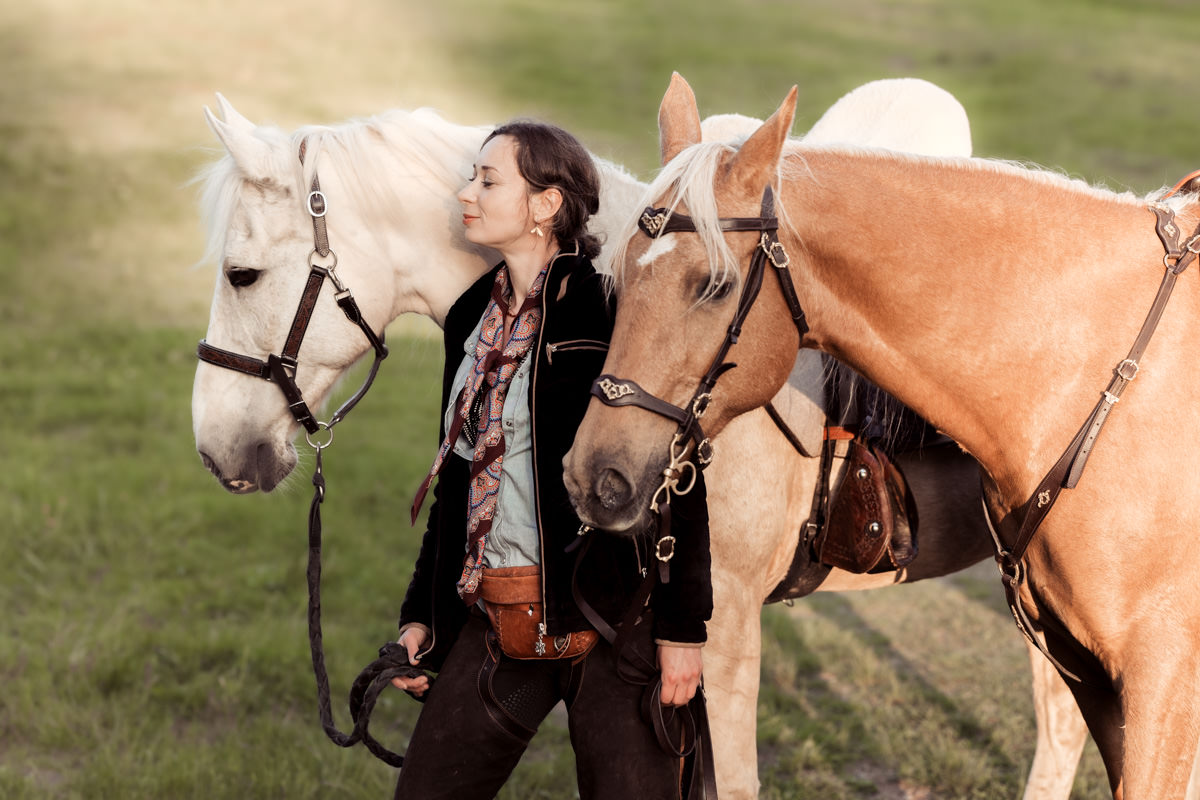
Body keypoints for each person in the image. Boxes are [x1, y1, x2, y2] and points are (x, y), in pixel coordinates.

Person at [389, 120, 713, 799]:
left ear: (545, 205)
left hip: (612, 622)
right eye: (471, 179)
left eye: (486, 180)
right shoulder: (471, 319)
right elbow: (458, 476)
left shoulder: (609, 308)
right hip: (499, 615)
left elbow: (677, 471)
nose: (464, 194)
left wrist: (684, 628)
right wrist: (423, 615)